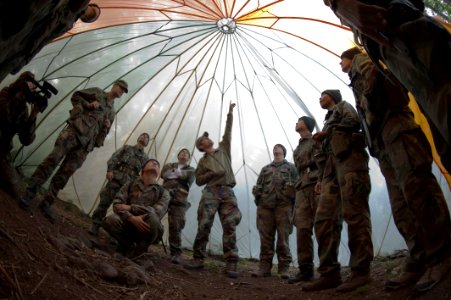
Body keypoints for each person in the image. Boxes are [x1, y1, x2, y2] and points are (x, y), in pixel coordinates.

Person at [340, 47, 451, 293]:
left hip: (397, 132)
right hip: (383, 144)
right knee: (400, 205)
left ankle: (442, 255)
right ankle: (420, 257)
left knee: (417, 191)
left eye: (342, 59)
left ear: (351, 57)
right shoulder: (356, 79)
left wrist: (364, 61)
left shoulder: (366, 62)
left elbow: (382, 89)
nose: (340, 64)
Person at [323, 0, 451, 172]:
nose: (339, 64)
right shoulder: (356, 75)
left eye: (342, 60)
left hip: (396, 31)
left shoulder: (361, 62)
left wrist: (340, 4)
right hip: (392, 45)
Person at [19, 80, 128, 223]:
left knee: (65, 174)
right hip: (73, 133)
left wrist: (105, 128)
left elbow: (101, 137)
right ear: (114, 85)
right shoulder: (97, 92)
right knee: (52, 160)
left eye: (124, 91)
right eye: (121, 88)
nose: (122, 91)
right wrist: (88, 105)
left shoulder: (112, 113)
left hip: (84, 147)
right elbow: (75, 96)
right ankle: (30, 192)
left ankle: (47, 203)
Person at [302, 90, 373, 292]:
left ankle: (360, 272)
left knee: (355, 214)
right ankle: (329, 273)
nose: (319, 98)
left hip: (351, 164)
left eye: (322, 95)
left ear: (332, 97)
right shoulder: (326, 121)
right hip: (331, 172)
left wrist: (329, 133)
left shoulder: (343, 107)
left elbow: (353, 122)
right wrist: (322, 178)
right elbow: (325, 151)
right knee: (323, 219)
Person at [184, 102, 242, 279]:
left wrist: (230, 113)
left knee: (230, 224)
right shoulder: (202, 162)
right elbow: (199, 180)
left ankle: (231, 261)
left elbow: (228, 132)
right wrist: (211, 173)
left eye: (207, 138)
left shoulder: (223, 149)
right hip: (210, 192)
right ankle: (198, 258)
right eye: (203, 139)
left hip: (227, 191)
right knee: (204, 223)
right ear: (201, 146)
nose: (207, 139)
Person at [0, 1, 101, 83]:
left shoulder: (68, 21)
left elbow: (43, 42)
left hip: (17, 51)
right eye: (91, 12)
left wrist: (21, 62)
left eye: (91, 16)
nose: (88, 14)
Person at [102, 159, 170, 257]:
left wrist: (131, 208)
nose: (155, 163)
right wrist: (131, 218)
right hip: (127, 223)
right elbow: (117, 204)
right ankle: (127, 246)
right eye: (151, 162)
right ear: (143, 169)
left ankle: (139, 251)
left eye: (157, 165)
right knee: (110, 220)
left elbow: (157, 212)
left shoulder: (163, 192)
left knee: (154, 220)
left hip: (146, 226)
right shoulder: (130, 184)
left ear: (159, 174)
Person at [90, 132, 150, 236]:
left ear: (147, 143)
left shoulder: (145, 158)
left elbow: (144, 173)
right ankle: (96, 224)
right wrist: (110, 170)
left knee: (121, 208)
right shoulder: (127, 148)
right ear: (138, 137)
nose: (144, 138)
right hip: (117, 178)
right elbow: (114, 158)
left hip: (128, 185)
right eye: (143, 135)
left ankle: (113, 231)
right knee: (105, 201)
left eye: (147, 138)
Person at [251, 144, 297, 279]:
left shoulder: (291, 168)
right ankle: (264, 267)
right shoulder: (265, 169)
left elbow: (297, 185)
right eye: (274, 147)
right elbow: (258, 186)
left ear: (283, 151)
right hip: (266, 207)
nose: (276, 148)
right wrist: (259, 199)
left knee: (283, 239)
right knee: (265, 239)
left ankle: (284, 268)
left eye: (279, 147)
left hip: (284, 207)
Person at [287, 116, 320, 284]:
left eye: (298, 120)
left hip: (316, 184)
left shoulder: (316, 140)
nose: (296, 122)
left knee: (321, 226)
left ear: (306, 124)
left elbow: (324, 160)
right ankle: (305, 269)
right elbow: (299, 170)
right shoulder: (296, 149)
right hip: (302, 187)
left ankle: (328, 268)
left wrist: (321, 180)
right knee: (302, 227)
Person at [0, 71, 41, 198]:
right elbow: (3, 116)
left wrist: (33, 115)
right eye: (29, 83)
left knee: (15, 190)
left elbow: (26, 140)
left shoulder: (24, 109)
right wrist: (21, 96)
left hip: (2, 150)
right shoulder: (6, 93)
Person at [161, 148, 195, 264]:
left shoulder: (191, 169)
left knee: (176, 225)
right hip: (164, 196)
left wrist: (176, 173)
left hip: (179, 199)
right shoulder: (169, 165)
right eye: (182, 152)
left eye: (187, 153)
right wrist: (177, 174)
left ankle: (176, 253)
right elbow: (164, 174)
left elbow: (189, 178)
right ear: (178, 155)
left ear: (188, 157)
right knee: (152, 216)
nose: (184, 154)